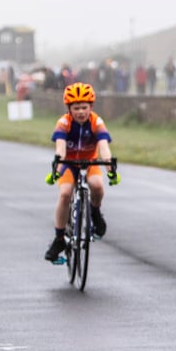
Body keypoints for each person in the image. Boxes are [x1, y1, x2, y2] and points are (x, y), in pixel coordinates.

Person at [44, 83, 120, 262]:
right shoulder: (64, 123)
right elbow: (60, 149)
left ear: (91, 107)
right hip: (68, 163)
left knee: (97, 186)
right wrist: (56, 168)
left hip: (89, 162)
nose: (80, 112)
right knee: (64, 194)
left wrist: (110, 169)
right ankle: (59, 238)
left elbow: (104, 148)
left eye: (84, 107)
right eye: (76, 108)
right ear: (69, 108)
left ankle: (95, 212)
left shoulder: (96, 122)